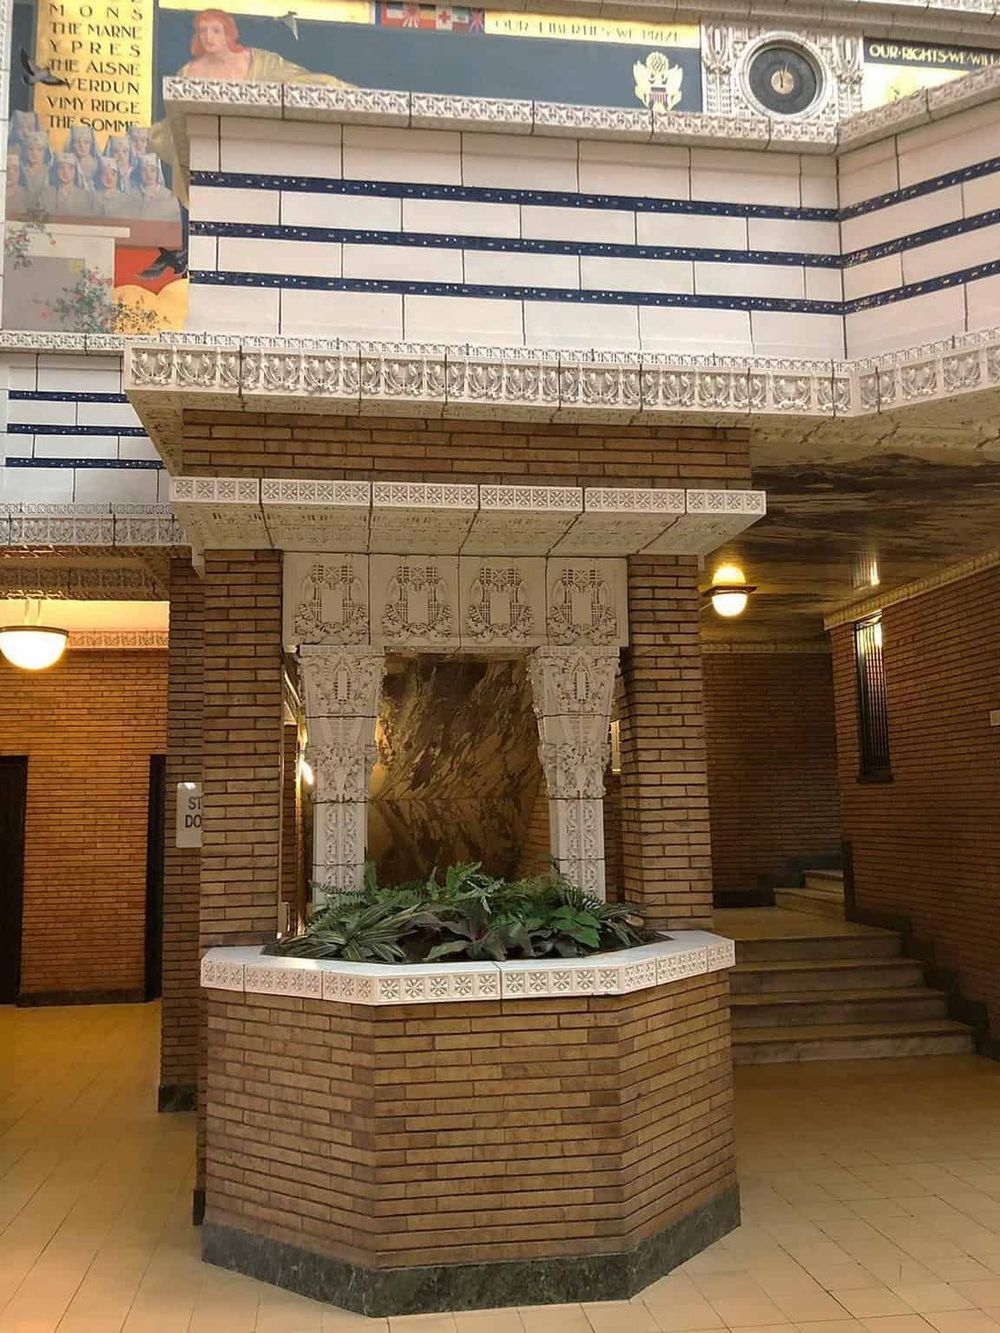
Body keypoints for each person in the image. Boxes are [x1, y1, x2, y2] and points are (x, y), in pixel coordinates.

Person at [150, 8, 354, 203]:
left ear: (228, 33)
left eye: (215, 30)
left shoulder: (258, 61)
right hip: (209, 160)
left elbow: (293, 81)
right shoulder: (188, 73)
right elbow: (176, 127)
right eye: (202, 31)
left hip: (258, 155)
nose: (208, 37)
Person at [132, 152, 177, 220]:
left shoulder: (168, 195)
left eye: (152, 170)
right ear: (139, 172)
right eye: (145, 170)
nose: (148, 174)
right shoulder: (133, 194)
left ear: (158, 172)